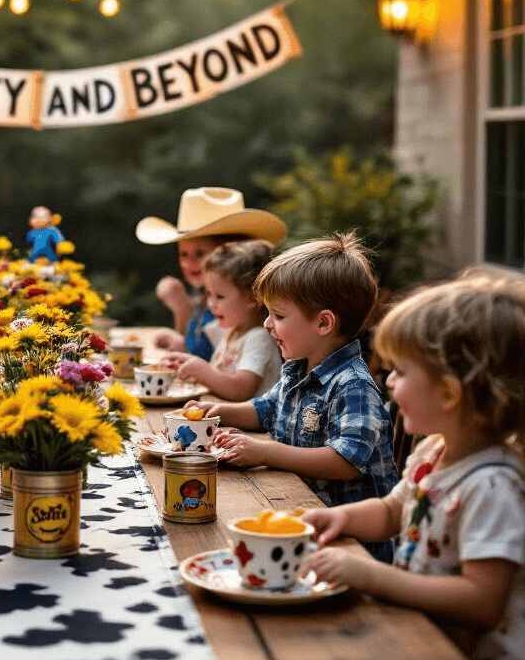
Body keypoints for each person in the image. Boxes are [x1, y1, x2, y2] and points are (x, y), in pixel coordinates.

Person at [300, 273, 525, 660]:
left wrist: (373, 576)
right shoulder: (434, 452)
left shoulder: (493, 486)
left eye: (401, 372)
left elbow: (482, 601)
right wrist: (338, 518)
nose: (388, 384)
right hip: (428, 647)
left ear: (450, 392)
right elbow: (394, 510)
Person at [200, 233, 398, 562]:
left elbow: (346, 462)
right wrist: (219, 410)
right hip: (296, 516)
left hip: (347, 546)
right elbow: (266, 410)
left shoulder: (353, 385)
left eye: (279, 316)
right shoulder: (298, 367)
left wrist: (266, 452)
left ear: (323, 323)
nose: (266, 324)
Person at [135, 187, 287, 359]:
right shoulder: (204, 299)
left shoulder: (239, 307)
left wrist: (181, 309)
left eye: (200, 253)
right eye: (183, 254)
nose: (189, 262)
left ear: (229, 254)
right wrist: (181, 309)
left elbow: (224, 365)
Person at [160, 239, 281, 400]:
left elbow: (240, 389)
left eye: (219, 296)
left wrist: (200, 370)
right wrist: (187, 362)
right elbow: (220, 375)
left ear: (252, 298)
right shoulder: (232, 332)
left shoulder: (259, 338)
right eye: (209, 293)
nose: (210, 303)